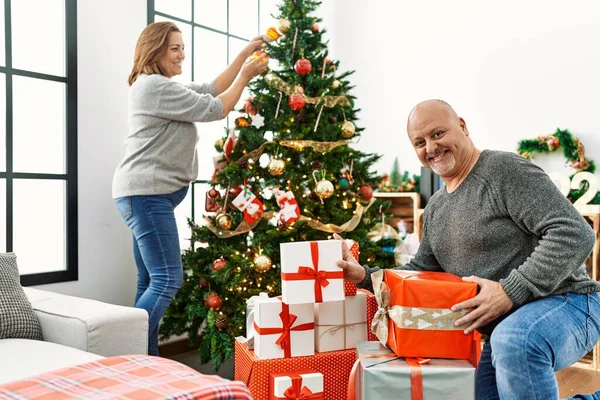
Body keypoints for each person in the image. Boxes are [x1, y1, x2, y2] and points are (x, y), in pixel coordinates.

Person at [335, 99, 600, 400]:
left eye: (438, 134)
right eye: (419, 142)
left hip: (570, 303)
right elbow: (421, 273)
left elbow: (575, 232)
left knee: (515, 340)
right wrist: (364, 277)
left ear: (462, 126)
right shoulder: (435, 208)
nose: (431, 148)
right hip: (497, 332)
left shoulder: (504, 170)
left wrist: (509, 291)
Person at [112, 21, 269, 356]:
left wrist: (243, 56)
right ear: (154, 50)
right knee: (168, 279)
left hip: (143, 194)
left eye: (183, 47)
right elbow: (217, 107)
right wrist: (247, 76)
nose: (182, 54)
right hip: (146, 195)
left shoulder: (159, 86)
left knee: (150, 281)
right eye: (174, 48)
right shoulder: (155, 87)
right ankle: (127, 353)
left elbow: (212, 88)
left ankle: (145, 361)